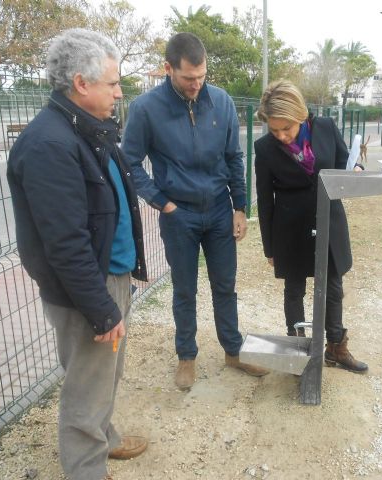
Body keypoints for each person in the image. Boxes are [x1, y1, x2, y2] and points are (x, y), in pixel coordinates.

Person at [7, 29, 148, 480]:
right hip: (87, 288)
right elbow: (64, 243)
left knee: (104, 377)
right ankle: (86, 469)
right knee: (86, 387)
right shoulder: (50, 144)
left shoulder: (86, 129)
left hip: (111, 276)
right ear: (82, 83)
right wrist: (102, 310)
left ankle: (104, 440)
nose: (119, 91)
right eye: (112, 82)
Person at [122, 32, 268, 390]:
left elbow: (235, 158)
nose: (196, 85)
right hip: (178, 215)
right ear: (168, 68)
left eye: (201, 77)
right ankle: (186, 355)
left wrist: (239, 207)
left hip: (220, 211)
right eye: (188, 78)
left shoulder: (221, 103)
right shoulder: (145, 109)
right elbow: (130, 162)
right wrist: (163, 202)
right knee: (184, 289)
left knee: (225, 285)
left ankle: (233, 351)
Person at [254, 79, 368, 373]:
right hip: (289, 228)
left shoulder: (327, 128)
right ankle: (297, 351)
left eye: (286, 128)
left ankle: (336, 347)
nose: (281, 136)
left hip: (329, 220)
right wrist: (270, 247)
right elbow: (265, 201)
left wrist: (356, 169)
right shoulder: (265, 149)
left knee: (333, 286)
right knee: (294, 289)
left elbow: (347, 161)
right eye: (274, 129)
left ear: (300, 115)